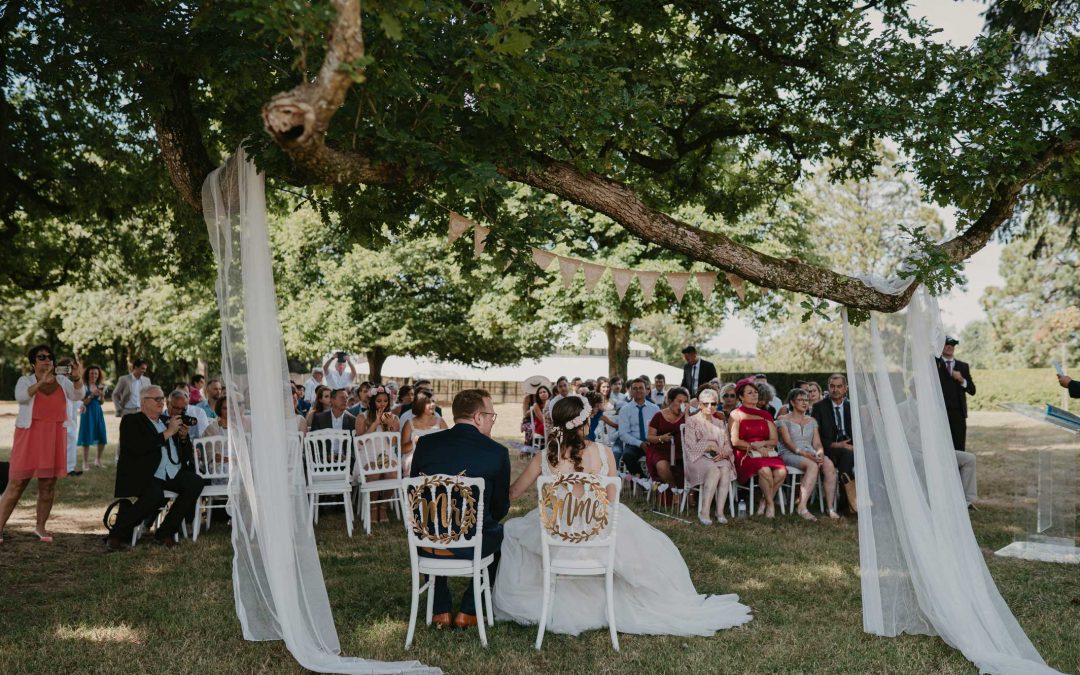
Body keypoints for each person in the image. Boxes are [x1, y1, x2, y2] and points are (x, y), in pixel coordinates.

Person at [494, 395, 752, 635]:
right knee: (646, 548)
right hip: (598, 532)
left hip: (558, 534)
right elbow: (611, 499)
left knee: (514, 533)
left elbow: (514, 492)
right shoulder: (604, 453)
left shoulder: (544, 457)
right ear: (584, 423)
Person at [409, 389, 510, 629]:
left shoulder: (425, 444)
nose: (491, 422)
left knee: (433, 524)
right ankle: (470, 610)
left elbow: (415, 497)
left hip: (428, 544)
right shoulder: (497, 453)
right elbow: (500, 509)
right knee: (503, 535)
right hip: (472, 546)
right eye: (491, 417)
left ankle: (440, 608)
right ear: (478, 417)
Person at [0, 345, 86, 543]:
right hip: (29, 435)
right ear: (33, 362)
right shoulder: (25, 381)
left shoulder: (63, 381)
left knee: (48, 485)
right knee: (17, 484)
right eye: (41, 357)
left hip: (54, 435)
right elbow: (21, 397)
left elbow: (78, 395)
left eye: (50, 357)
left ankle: (40, 527)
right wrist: (40, 383)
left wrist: (76, 377)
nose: (47, 360)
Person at [105, 385, 206, 551]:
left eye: (162, 398)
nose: (161, 402)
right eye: (156, 399)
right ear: (143, 402)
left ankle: (165, 532)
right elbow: (139, 447)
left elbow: (186, 455)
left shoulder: (167, 422)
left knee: (195, 483)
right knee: (154, 495)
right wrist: (168, 433)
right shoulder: (132, 421)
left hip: (171, 473)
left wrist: (182, 438)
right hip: (146, 473)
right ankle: (117, 534)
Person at [777, 388, 839, 520]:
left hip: (810, 452)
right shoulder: (783, 419)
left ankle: (830, 508)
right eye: (800, 400)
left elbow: (816, 443)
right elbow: (788, 442)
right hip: (790, 453)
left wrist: (820, 453)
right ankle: (802, 507)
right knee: (813, 466)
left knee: (828, 465)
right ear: (792, 403)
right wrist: (805, 454)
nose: (804, 403)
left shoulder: (812, 420)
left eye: (806, 400)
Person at [729, 378, 787, 518]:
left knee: (782, 472)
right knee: (765, 471)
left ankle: (763, 501)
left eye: (755, 392)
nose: (755, 395)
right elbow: (735, 441)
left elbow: (774, 440)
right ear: (741, 397)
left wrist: (762, 445)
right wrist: (753, 447)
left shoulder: (765, 414)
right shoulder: (736, 414)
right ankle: (771, 505)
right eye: (750, 393)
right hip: (745, 453)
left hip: (766, 451)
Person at [682, 388, 737, 525]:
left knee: (724, 469)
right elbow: (690, 446)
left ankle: (720, 512)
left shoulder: (719, 423)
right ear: (700, 404)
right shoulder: (692, 421)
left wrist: (723, 453)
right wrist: (711, 447)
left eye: (713, 404)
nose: (709, 407)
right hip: (697, 457)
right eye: (705, 403)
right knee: (714, 470)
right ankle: (704, 512)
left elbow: (728, 445)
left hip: (718, 457)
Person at [936, 337, 978, 507]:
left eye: (953, 345)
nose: (951, 347)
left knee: (959, 452)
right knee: (942, 451)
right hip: (939, 415)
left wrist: (962, 380)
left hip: (958, 416)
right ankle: (943, 491)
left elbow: (973, 390)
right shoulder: (935, 364)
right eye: (947, 344)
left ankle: (959, 494)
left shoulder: (963, 366)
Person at [811, 374, 856, 514]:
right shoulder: (819, 407)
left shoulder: (852, 406)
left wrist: (856, 446)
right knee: (847, 456)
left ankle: (871, 501)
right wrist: (838, 445)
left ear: (845, 389)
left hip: (852, 446)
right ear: (828, 388)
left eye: (839, 386)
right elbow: (815, 435)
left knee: (873, 455)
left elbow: (859, 431)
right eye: (832, 386)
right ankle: (847, 503)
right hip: (830, 448)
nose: (835, 389)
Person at [615, 378, 659, 477]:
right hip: (633, 443)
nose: (638, 390)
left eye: (640, 388)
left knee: (662, 457)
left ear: (646, 390)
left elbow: (659, 429)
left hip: (652, 442)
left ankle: (658, 482)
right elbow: (623, 434)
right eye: (634, 388)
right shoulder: (625, 410)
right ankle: (643, 482)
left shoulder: (655, 409)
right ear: (630, 391)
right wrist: (640, 444)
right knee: (627, 456)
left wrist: (652, 441)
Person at [646, 387, 688, 489]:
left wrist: (686, 415)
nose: (682, 405)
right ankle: (674, 490)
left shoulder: (686, 416)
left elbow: (691, 433)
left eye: (685, 402)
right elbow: (649, 437)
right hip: (660, 449)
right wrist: (661, 438)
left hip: (680, 450)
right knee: (662, 466)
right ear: (670, 401)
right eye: (679, 401)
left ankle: (687, 492)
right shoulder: (659, 415)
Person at [401, 389, 448, 474]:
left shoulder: (440, 421)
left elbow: (448, 442)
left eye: (433, 401)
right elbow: (403, 449)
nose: (432, 404)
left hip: (436, 455)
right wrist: (414, 441)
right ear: (420, 403)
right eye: (428, 402)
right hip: (414, 456)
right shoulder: (409, 423)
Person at [78, 364, 108, 470]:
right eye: (91, 373)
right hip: (87, 413)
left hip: (97, 412)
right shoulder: (83, 386)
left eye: (96, 373)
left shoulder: (100, 385)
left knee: (102, 435)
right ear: (88, 374)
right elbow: (83, 402)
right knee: (86, 436)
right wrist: (92, 395)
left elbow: (101, 402)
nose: (93, 375)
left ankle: (98, 460)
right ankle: (85, 463)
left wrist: (102, 395)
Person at [57, 358, 84, 477]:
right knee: (61, 443)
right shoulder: (56, 379)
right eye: (67, 367)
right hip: (60, 416)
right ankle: (60, 468)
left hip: (71, 417)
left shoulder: (71, 381)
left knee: (72, 441)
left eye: (71, 367)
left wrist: (81, 404)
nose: (69, 369)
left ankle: (70, 468)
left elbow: (75, 396)